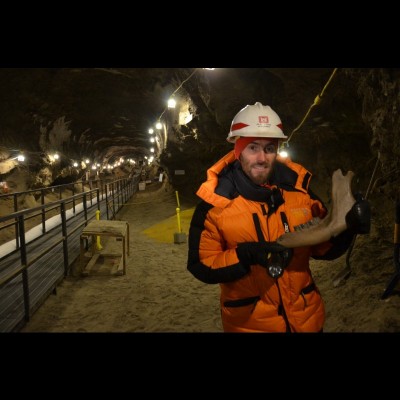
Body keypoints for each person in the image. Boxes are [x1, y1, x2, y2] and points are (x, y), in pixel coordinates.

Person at [187, 102, 370, 333]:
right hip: (251, 326)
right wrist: (246, 255)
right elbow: (201, 265)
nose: (262, 158)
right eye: (252, 147)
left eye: (269, 148)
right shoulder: (215, 205)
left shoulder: (300, 193)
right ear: (237, 149)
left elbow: (325, 249)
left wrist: (348, 227)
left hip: (307, 320)